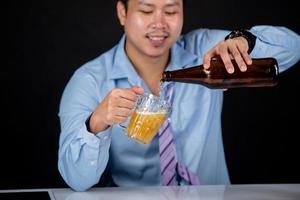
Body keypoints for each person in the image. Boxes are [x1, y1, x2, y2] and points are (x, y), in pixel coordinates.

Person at [58, 0, 300, 191]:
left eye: (171, 11)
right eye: (146, 10)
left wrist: (245, 41)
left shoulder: (206, 52)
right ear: (122, 12)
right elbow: (76, 180)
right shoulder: (89, 81)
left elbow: (294, 47)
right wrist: (96, 123)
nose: (159, 23)